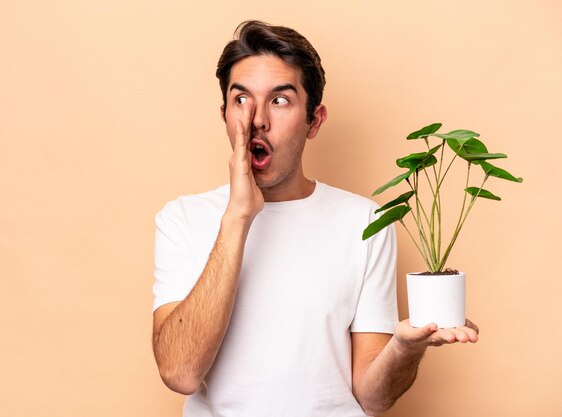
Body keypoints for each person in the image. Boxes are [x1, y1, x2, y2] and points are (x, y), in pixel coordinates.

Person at [152, 20, 479, 417]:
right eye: (241, 100)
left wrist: (404, 348)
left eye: (280, 100)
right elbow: (180, 373)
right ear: (224, 114)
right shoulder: (181, 219)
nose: (257, 119)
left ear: (315, 120)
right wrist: (238, 216)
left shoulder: (367, 222)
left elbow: (372, 397)